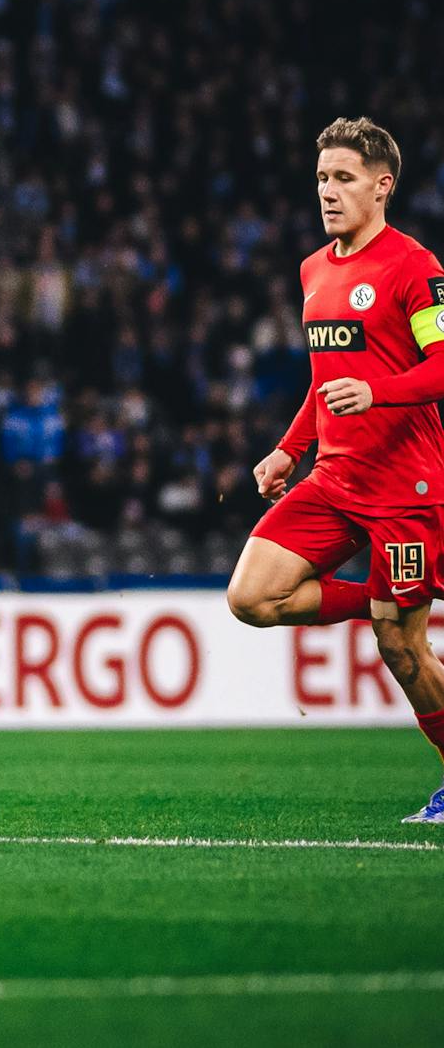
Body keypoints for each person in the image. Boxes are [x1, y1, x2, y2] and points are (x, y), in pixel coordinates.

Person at [225, 117, 444, 823]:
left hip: (406, 486)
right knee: (252, 596)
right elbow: (327, 379)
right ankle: (389, 601)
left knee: (404, 655)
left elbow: (440, 365)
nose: (328, 191)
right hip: (335, 478)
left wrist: (379, 391)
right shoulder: (313, 270)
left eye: (344, 177)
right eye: (322, 177)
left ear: (382, 187)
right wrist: (291, 447)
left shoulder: (415, 267)